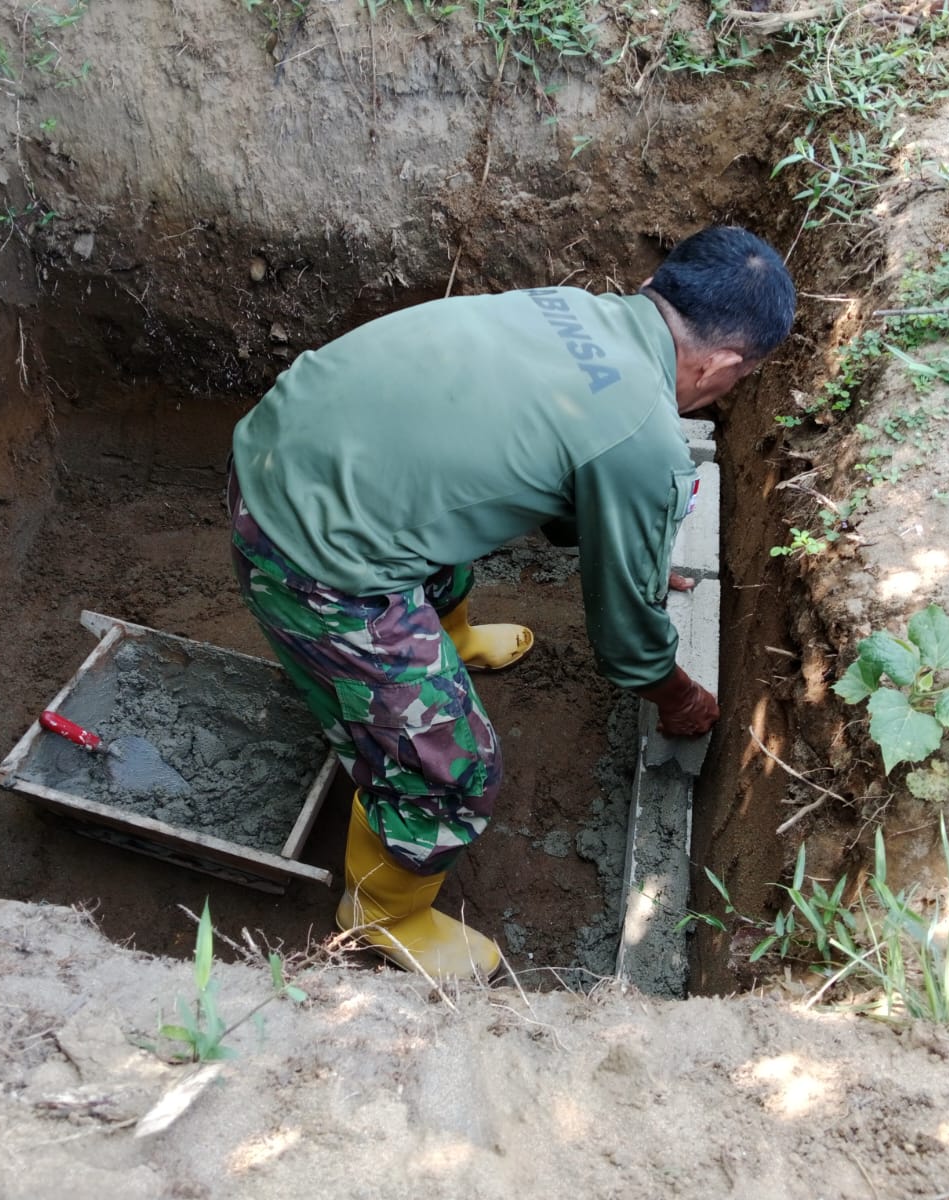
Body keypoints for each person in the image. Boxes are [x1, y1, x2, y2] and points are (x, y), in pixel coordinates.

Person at [228, 225, 796, 980]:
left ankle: (448, 640)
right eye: (738, 379)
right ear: (722, 364)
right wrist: (678, 695)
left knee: (448, 520)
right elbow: (627, 644)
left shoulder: (572, 308)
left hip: (276, 446)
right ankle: (379, 914)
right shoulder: (641, 437)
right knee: (455, 772)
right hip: (305, 557)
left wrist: (637, 534)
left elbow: (554, 477)